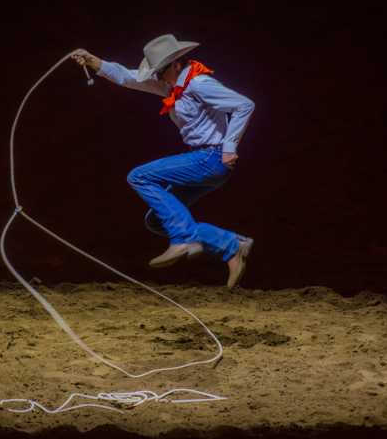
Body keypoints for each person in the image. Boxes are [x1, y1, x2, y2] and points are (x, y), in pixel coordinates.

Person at [71, 34, 255, 288]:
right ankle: (232, 245)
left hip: (211, 157)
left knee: (139, 176)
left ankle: (184, 239)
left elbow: (244, 105)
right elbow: (129, 77)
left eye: (159, 71)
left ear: (176, 65)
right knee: (157, 220)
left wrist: (229, 147)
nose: (155, 77)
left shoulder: (199, 83)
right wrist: (94, 62)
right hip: (204, 160)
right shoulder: (170, 86)